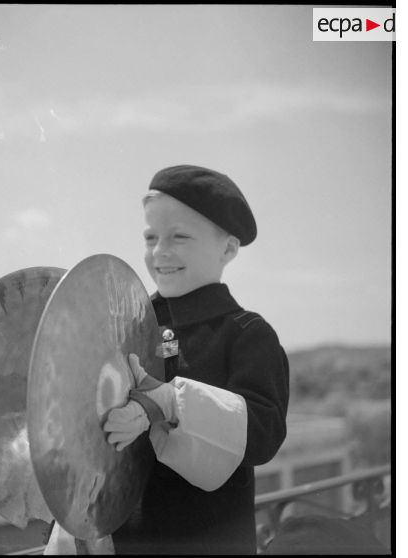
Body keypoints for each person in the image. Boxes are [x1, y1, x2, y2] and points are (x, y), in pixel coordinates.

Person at [44, 164, 289, 555]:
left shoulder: (247, 334)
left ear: (227, 248)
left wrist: (171, 403)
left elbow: (264, 433)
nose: (160, 252)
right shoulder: (123, 325)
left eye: (179, 237)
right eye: (151, 237)